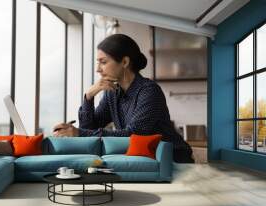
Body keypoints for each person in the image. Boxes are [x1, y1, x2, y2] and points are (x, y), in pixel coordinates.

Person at [53, 34, 194, 163]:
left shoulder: (149, 91)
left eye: (103, 62)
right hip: (145, 160)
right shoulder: (112, 92)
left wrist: (78, 133)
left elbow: (133, 135)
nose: (98, 69)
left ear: (125, 62)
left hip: (174, 160)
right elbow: (89, 129)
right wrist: (88, 97)